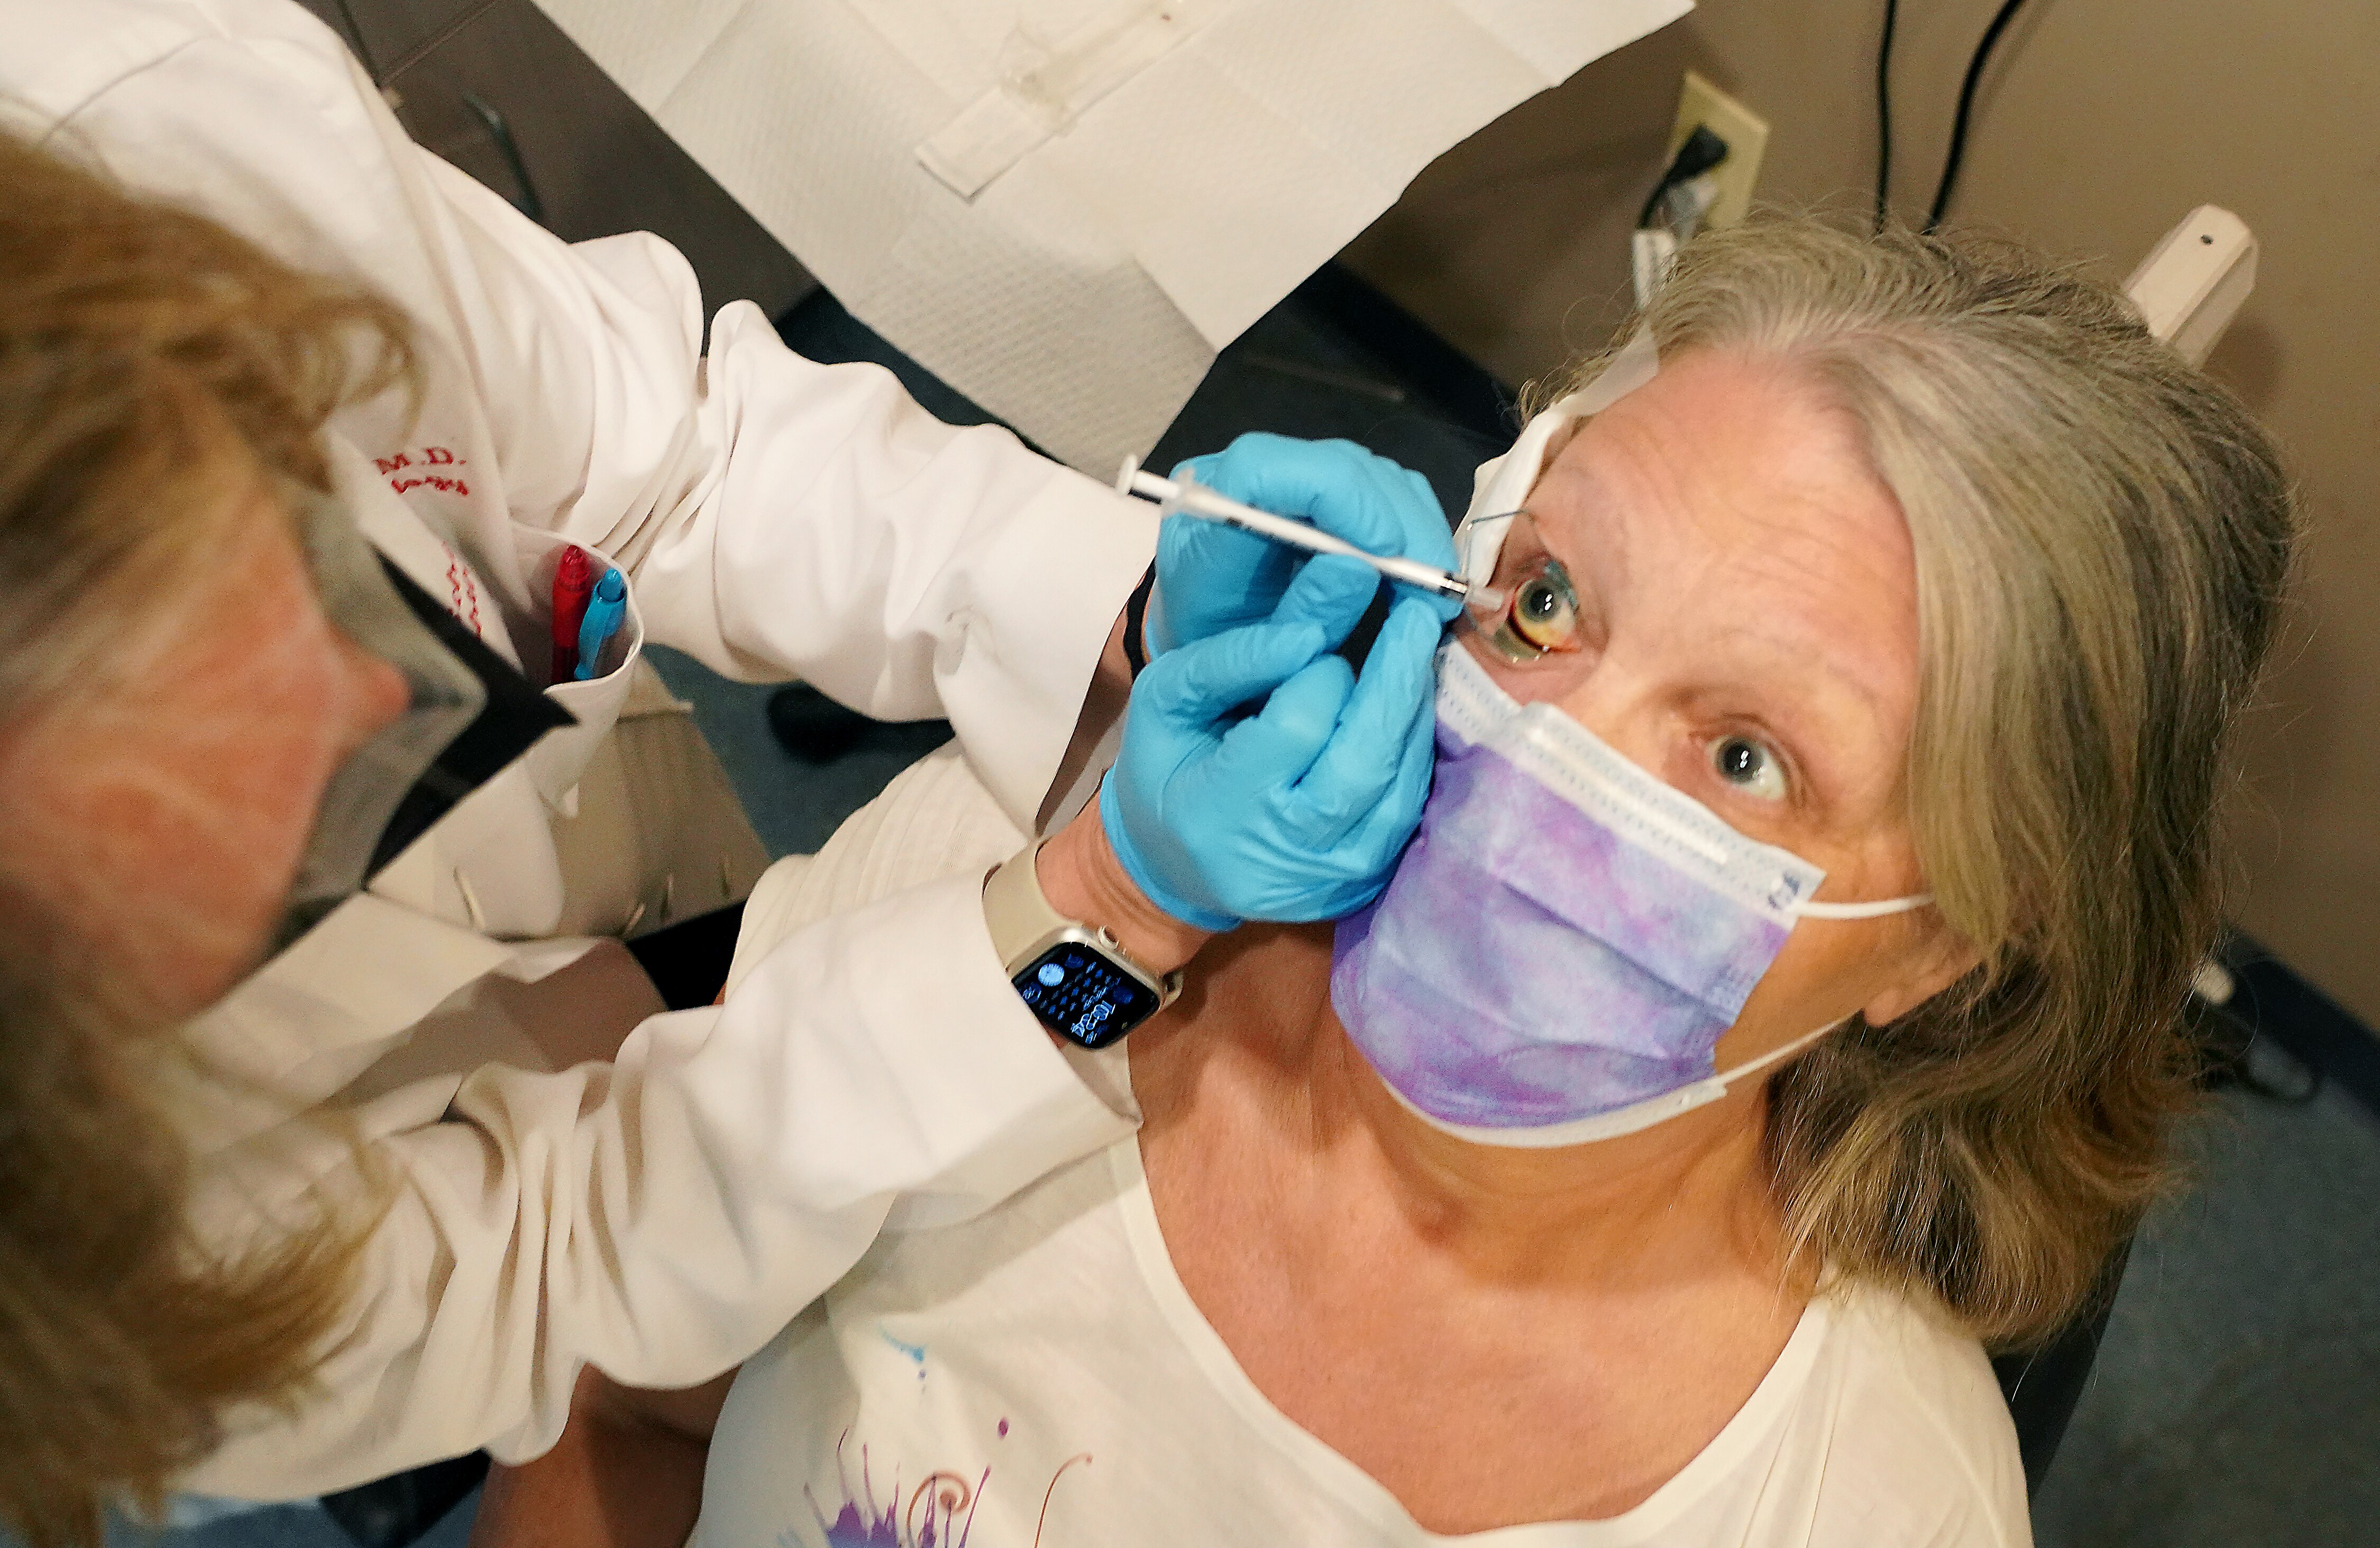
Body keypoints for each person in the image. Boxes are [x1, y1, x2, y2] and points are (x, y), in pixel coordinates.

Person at [470, 215, 2297, 1548]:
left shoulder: (1860, 1509)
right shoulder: (1025, 891)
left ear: (1949, 945)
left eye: (1743, 757)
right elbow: (615, 1403)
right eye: (1553, 606)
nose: (1544, 761)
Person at [0, 1, 1460, 1542]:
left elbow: (674, 454)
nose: (410, 683)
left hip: (689, 909)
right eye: (284, 825)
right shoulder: (75, 1275)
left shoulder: (151, 131)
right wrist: (1094, 925)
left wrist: (1123, 612)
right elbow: (548, 1267)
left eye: (325, 572)